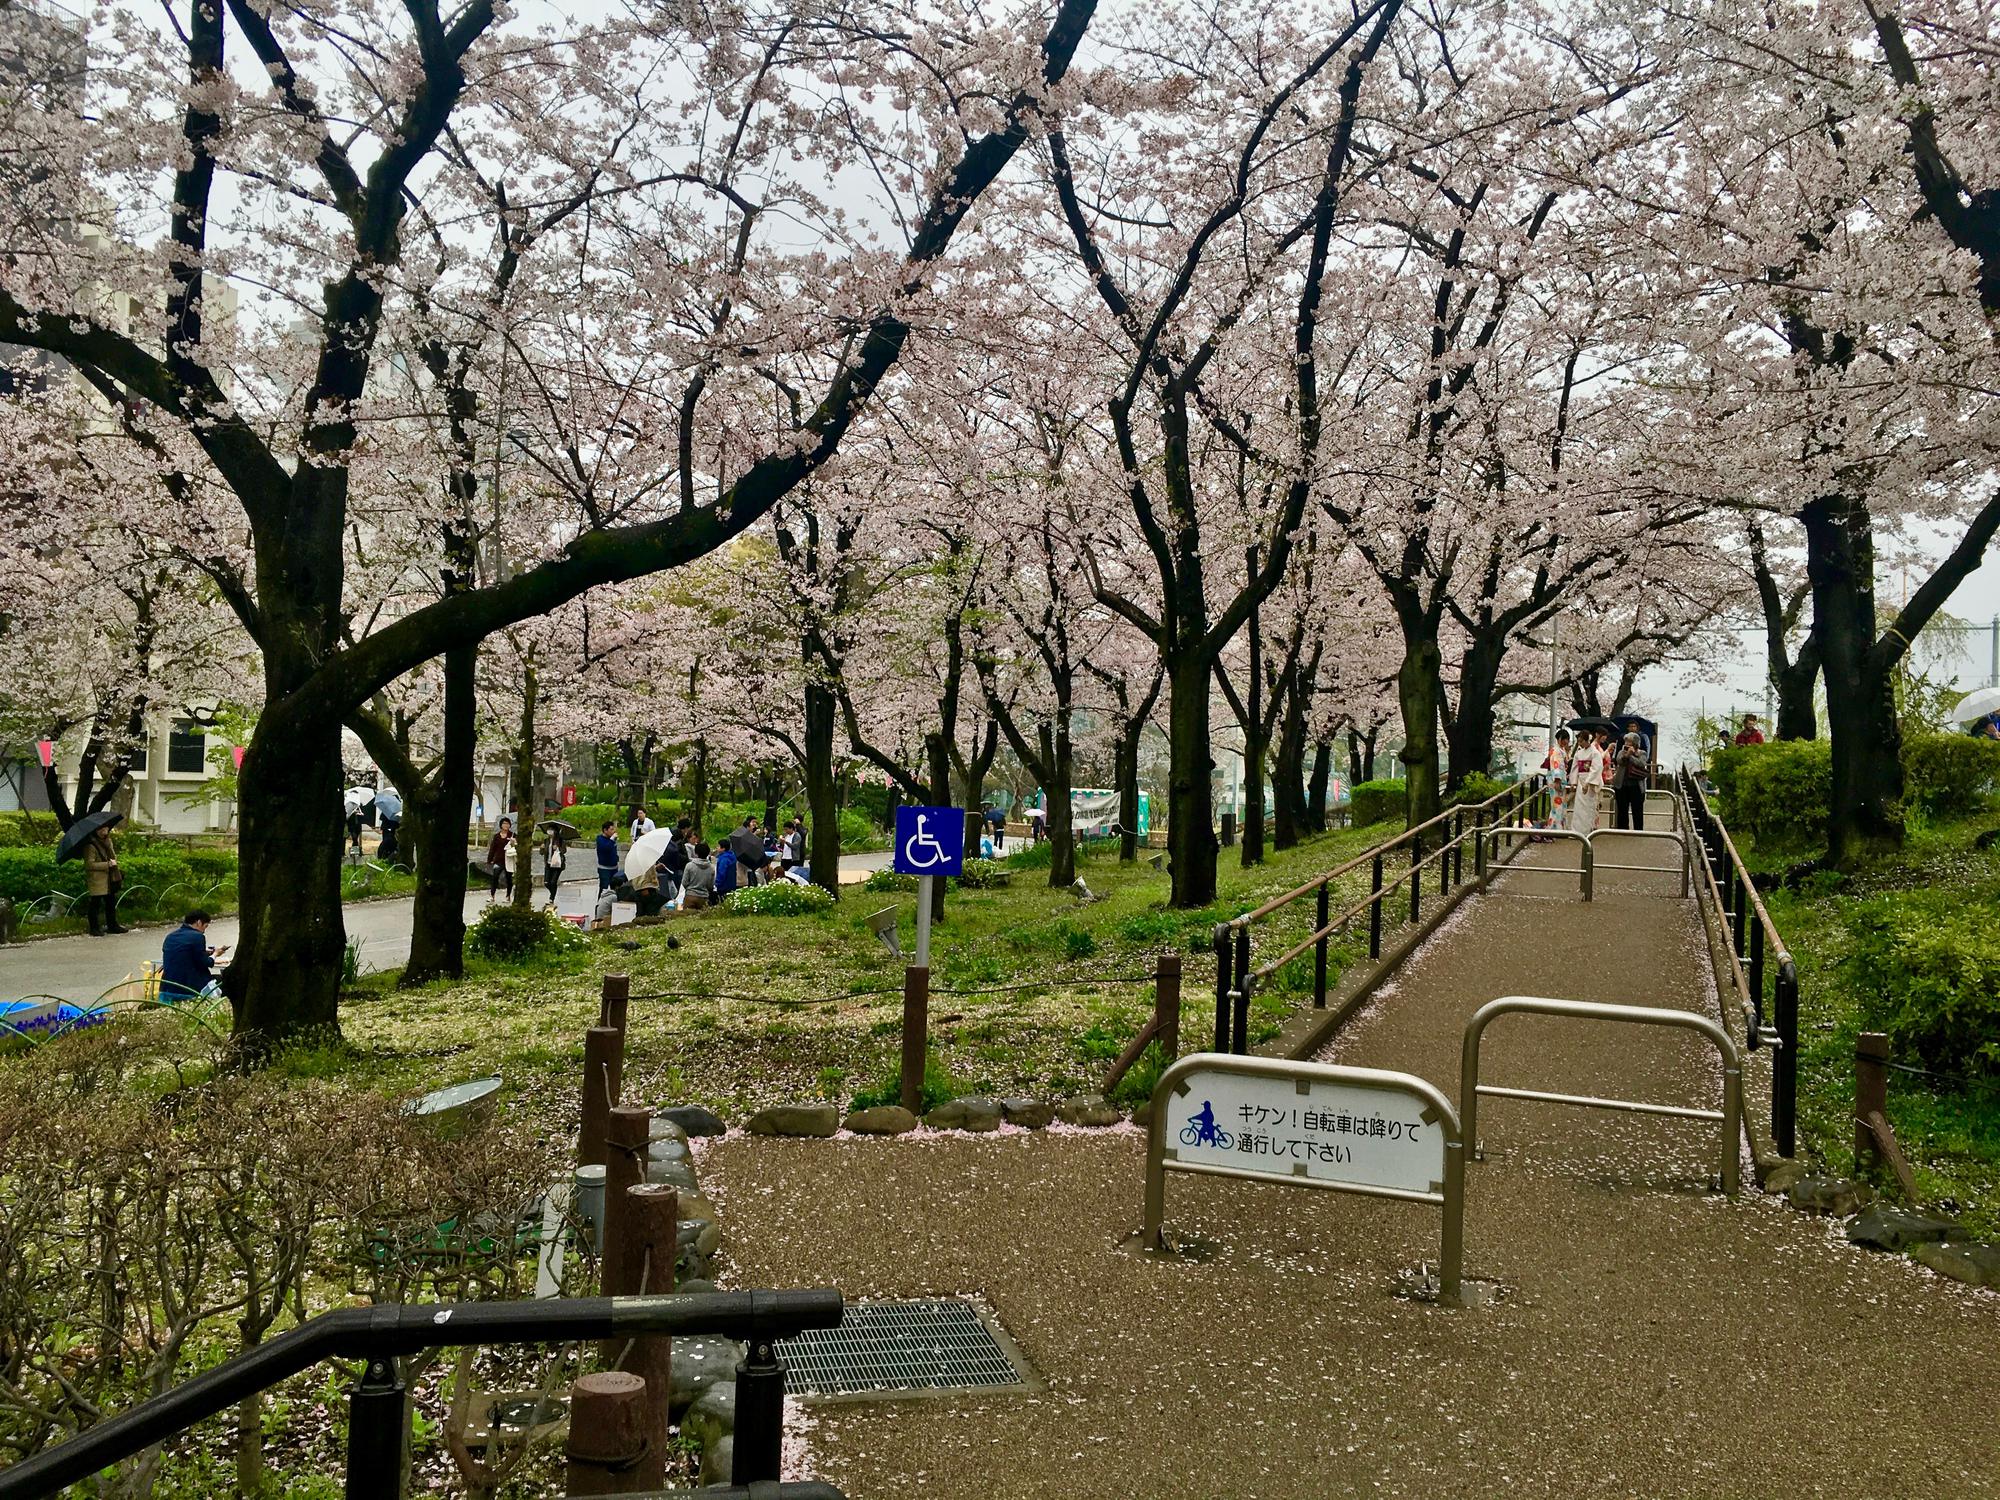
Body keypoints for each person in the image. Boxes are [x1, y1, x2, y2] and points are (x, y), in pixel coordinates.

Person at [160, 910, 227, 1000]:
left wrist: (205, 952)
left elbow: (184, 954)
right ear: (199, 922)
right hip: (188, 987)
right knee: (227, 980)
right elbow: (206, 963)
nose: (204, 931)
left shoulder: (170, 936)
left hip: (167, 986)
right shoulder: (198, 936)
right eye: (205, 927)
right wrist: (215, 954)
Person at [83, 825, 125, 936]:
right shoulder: (90, 845)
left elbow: (113, 856)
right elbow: (89, 864)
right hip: (98, 879)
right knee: (95, 903)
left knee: (111, 902)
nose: (103, 832)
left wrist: (109, 847)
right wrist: (107, 864)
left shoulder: (108, 842)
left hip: (110, 878)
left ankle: (112, 925)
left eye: (106, 829)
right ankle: (94, 928)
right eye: (101, 829)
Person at [1567, 731, 1607, 834]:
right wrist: (1573, 782)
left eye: (1581, 741)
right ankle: (1576, 830)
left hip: (1590, 783)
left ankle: (1587, 831)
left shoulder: (1595, 753)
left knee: (1589, 807)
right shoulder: (1579, 753)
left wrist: (1588, 782)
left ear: (1587, 740)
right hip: (1581, 781)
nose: (1579, 743)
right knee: (1579, 807)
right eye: (1578, 741)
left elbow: (1596, 768)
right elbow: (1575, 768)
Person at [1613, 730, 1648, 830]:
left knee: (1637, 809)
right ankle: (1622, 828)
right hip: (1622, 784)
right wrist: (1627, 755)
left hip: (1636, 785)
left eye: (1629, 742)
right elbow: (1619, 761)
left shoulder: (1642, 753)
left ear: (1635, 743)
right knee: (1622, 809)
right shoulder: (1621, 752)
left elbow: (1642, 764)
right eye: (1626, 741)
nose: (1626, 744)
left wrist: (1632, 756)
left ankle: (1638, 829)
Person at [1539, 728, 1570, 832]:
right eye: (1565, 739)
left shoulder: (1561, 750)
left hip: (1560, 779)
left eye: (1567, 739)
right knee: (1557, 805)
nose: (1566, 742)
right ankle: (1555, 827)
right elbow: (1556, 766)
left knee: (1561, 804)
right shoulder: (1556, 751)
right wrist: (1557, 779)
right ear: (1560, 739)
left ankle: (1559, 827)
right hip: (1556, 779)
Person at [726, 816, 765, 886]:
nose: (753, 827)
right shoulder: (743, 837)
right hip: (743, 864)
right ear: (747, 827)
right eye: (752, 824)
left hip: (746, 865)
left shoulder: (742, 835)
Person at [681, 841, 717, 909]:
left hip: (690, 896)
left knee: (687, 917)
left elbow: (684, 882)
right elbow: (710, 886)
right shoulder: (711, 868)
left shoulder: (689, 865)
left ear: (696, 853)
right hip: (704, 897)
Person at [486, 817, 514, 899]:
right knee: (495, 877)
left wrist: (513, 842)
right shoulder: (497, 836)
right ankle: (492, 895)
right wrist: (489, 859)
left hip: (509, 860)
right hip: (498, 860)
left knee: (509, 878)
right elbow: (492, 848)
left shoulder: (512, 835)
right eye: (504, 823)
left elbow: (517, 847)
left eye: (508, 824)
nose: (506, 825)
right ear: (501, 825)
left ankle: (508, 896)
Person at [542, 828, 566, 906]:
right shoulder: (546, 840)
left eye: (551, 829)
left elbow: (564, 850)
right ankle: (553, 893)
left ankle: (551, 898)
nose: (549, 831)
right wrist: (542, 848)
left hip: (557, 864)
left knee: (553, 882)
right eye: (548, 829)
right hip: (548, 864)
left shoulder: (560, 840)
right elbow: (541, 853)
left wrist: (558, 848)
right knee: (546, 882)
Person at [596, 821, 620, 893]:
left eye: (614, 829)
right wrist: (612, 839)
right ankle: (600, 903)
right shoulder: (600, 839)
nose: (613, 831)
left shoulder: (612, 840)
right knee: (604, 889)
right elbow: (606, 848)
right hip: (604, 868)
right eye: (611, 829)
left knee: (615, 888)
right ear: (605, 830)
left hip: (614, 868)